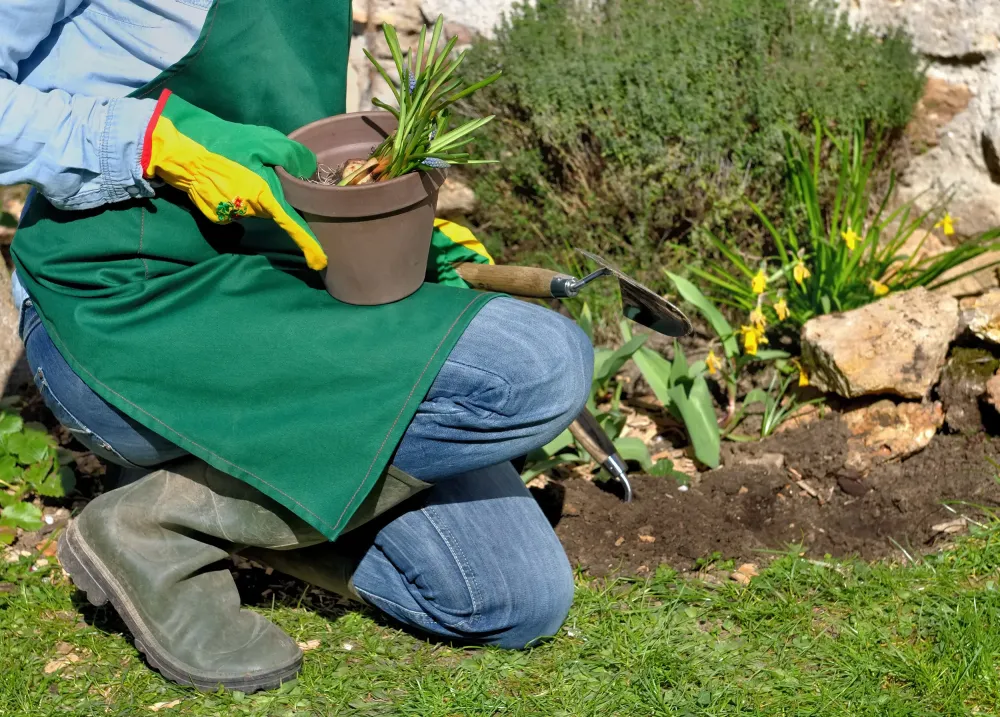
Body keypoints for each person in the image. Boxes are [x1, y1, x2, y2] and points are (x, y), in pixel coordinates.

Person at [1, 0, 594, 693]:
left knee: (505, 592)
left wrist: (391, 231)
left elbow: (292, 146)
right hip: (123, 294)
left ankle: (191, 489)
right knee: (537, 364)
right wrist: (146, 143)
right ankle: (164, 523)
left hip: (277, 273)